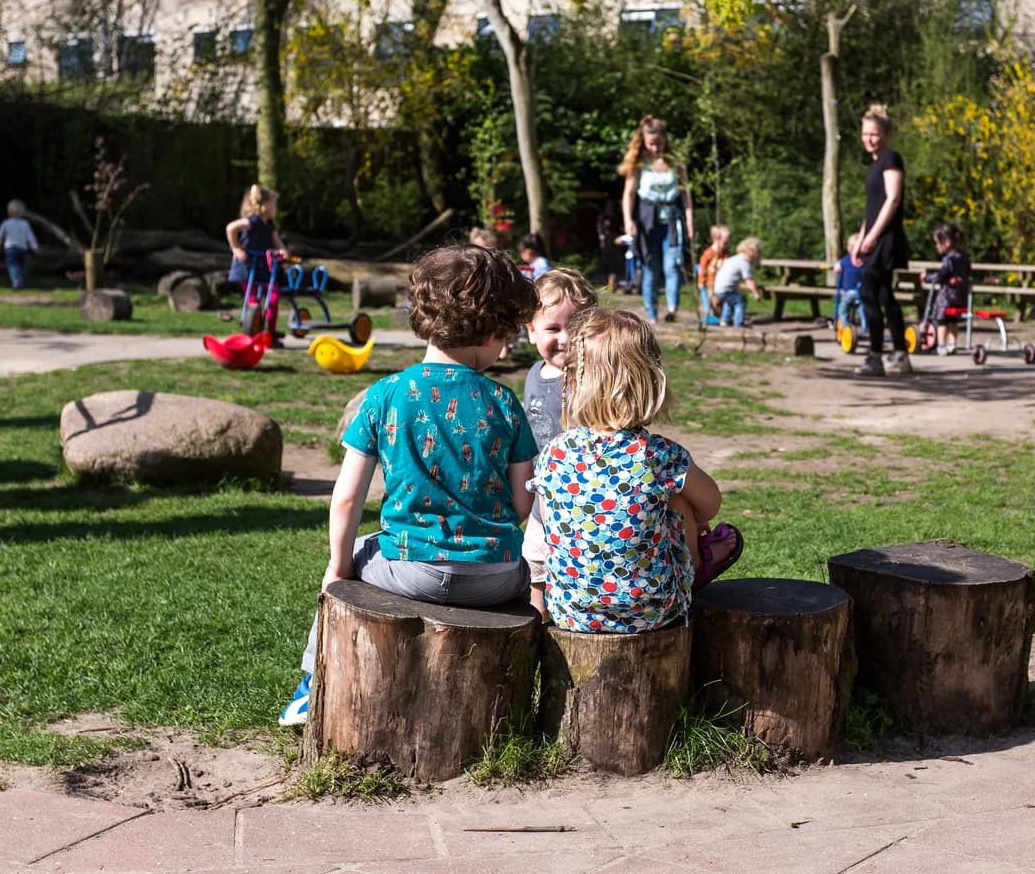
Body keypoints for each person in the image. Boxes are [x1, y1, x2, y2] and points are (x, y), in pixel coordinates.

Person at [278, 244, 540, 727]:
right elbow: (523, 501)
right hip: (497, 575)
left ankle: (311, 683)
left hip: (409, 568)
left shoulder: (384, 395)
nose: (504, 349)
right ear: (486, 329)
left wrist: (338, 568)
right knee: (527, 571)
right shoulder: (504, 402)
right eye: (504, 336)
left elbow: (349, 497)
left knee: (356, 550)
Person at [529, 308, 743, 633]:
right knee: (680, 501)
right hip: (652, 611)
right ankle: (696, 564)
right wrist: (696, 520)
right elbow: (711, 502)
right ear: (651, 380)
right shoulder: (661, 455)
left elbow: (547, 519)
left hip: (570, 611)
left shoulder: (555, 452)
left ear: (572, 383)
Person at [520, 268, 600, 618]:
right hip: (543, 499)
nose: (565, 339)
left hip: (587, 500)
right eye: (553, 328)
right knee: (534, 570)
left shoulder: (593, 381)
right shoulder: (533, 376)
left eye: (576, 328)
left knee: (581, 568)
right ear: (531, 330)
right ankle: (537, 630)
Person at [850, 105, 912, 377]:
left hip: (886, 240)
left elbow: (892, 200)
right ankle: (899, 353)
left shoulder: (891, 159)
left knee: (869, 294)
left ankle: (875, 356)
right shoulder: (875, 164)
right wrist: (859, 241)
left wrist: (874, 237)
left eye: (874, 134)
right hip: (874, 238)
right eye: (865, 134)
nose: (869, 139)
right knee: (884, 296)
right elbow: (872, 209)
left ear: (885, 134)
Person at [619, 115, 693, 324]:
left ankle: (672, 307)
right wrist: (628, 220)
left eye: (659, 143)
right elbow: (629, 194)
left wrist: (689, 221)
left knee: (672, 265)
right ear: (643, 140)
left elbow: (686, 195)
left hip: (671, 220)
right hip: (646, 220)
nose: (655, 148)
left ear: (665, 139)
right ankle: (651, 313)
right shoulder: (639, 165)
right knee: (650, 267)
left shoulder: (676, 163)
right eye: (651, 143)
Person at [225, 184, 288, 292]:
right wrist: (236, 248)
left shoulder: (269, 225)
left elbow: (279, 244)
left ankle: (261, 309)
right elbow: (231, 228)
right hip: (247, 266)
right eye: (274, 205)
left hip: (263, 267)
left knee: (273, 295)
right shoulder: (253, 221)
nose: (276, 209)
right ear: (266, 205)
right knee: (252, 297)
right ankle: (253, 308)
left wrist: (282, 252)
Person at [924, 223, 972, 356]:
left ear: (947, 242)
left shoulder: (948, 259)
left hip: (947, 295)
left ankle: (942, 345)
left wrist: (927, 277)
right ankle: (952, 344)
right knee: (953, 320)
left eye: (938, 243)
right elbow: (967, 274)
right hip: (960, 295)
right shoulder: (964, 257)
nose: (936, 246)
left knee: (942, 320)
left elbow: (941, 275)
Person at [711, 237, 763, 329]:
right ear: (753, 254)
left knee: (730, 300)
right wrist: (755, 293)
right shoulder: (744, 263)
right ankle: (739, 323)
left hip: (718, 288)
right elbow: (749, 281)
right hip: (726, 289)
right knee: (741, 301)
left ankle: (725, 320)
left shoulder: (735, 258)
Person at [0, 199, 39, 289]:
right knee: (21, 266)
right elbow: (30, 237)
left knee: (12, 265)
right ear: (22, 213)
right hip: (22, 248)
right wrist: (35, 247)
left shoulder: (6, 223)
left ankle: (16, 281)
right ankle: (20, 281)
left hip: (10, 248)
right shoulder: (25, 224)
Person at [832, 234, 865, 339]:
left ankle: (846, 328)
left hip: (848, 293)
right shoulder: (866, 261)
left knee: (842, 310)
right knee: (863, 311)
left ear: (849, 248)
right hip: (862, 293)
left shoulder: (846, 260)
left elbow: (837, 268)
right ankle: (866, 329)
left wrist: (836, 268)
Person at [696, 224, 730, 326]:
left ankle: (719, 316)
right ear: (716, 239)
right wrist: (701, 281)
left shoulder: (725, 253)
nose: (726, 245)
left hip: (721, 283)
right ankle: (708, 316)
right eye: (725, 243)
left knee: (719, 301)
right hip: (709, 283)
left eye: (727, 243)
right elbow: (702, 268)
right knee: (708, 301)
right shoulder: (708, 253)